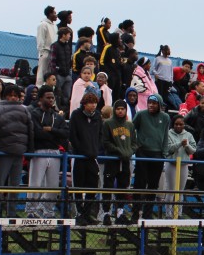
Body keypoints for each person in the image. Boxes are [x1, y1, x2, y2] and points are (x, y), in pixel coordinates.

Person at [0, 84, 34, 219]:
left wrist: (29, 150)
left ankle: (10, 214)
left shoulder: (24, 110)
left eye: (15, 95)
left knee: (14, 186)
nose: (13, 98)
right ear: (5, 96)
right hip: (3, 152)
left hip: (17, 152)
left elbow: (30, 130)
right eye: (10, 95)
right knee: (0, 184)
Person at [27, 85, 68, 219]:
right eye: (48, 97)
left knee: (53, 184)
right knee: (35, 182)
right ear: (40, 99)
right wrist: (55, 135)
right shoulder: (35, 114)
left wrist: (51, 130)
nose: (51, 100)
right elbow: (37, 133)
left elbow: (65, 133)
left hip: (55, 152)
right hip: (39, 151)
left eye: (52, 97)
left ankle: (48, 210)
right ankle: (31, 210)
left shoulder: (57, 116)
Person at [69, 92, 103, 226]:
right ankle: (79, 213)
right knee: (78, 186)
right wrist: (81, 149)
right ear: (84, 103)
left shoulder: (98, 116)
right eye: (90, 102)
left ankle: (87, 213)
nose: (93, 105)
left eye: (95, 103)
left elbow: (100, 134)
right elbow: (72, 135)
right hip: (80, 156)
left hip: (92, 157)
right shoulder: (76, 115)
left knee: (92, 186)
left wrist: (95, 148)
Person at [101, 99, 137, 223]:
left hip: (125, 160)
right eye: (118, 109)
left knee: (123, 185)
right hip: (112, 159)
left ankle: (120, 213)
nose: (120, 111)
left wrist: (129, 152)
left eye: (122, 109)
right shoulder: (108, 124)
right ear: (114, 110)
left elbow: (134, 143)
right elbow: (105, 142)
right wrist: (119, 151)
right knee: (108, 186)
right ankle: (106, 213)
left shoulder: (130, 125)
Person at [161, 115, 196, 218]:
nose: (178, 126)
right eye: (176, 124)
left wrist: (187, 145)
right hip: (171, 164)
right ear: (173, 124)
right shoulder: (168, 134)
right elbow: (168, 149)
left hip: (184, 165)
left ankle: (178, 214)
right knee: (171, 190)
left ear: (184, 125)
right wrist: (180, 144)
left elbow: (193, 150)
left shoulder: (188, 135)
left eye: (181, 124)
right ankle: (168, 214)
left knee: (180, 191)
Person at [36, 5, 57, 86]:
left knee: (50, 73)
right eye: (54, 13)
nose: (56, 15)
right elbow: (40, 39)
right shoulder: (42, 24)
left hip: (53, 52)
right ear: (49, 14)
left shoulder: (54, 26)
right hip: (45, 51)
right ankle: (39, 87)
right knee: (42, 72)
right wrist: (42, 52)